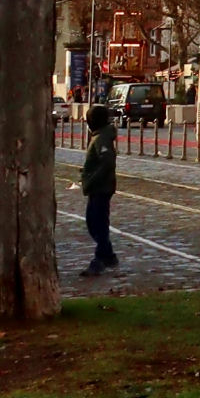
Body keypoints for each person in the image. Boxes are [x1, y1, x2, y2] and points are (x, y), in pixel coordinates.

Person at [77, 105, 120, 276]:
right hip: (96, 187)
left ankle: (100, 259)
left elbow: (107, 161)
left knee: (98, 223)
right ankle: (108, 255)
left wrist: (93, 178)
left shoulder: (102, 138)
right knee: (93, 222)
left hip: (101, 188)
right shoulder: (98, 136)